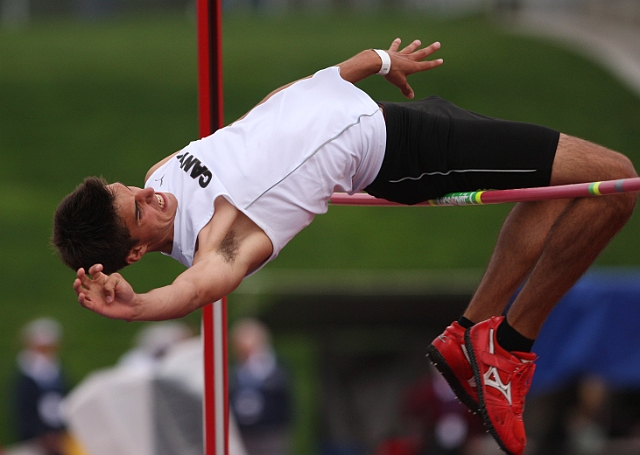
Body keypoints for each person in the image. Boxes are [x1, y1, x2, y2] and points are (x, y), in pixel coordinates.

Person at [51, 38, 637, 455]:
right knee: (613, 184)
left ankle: (471, 334)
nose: (148, 193)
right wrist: (138, 306)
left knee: (546, 188)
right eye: (137, 209)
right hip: (410, 154)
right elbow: (195, 289)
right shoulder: (223, 238)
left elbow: (270, 113)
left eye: (131, 188)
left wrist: (375, 61)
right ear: (134, 253)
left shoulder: (161, 175)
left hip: (393, 114)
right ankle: (506, 346)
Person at [229, 318, 292, 455]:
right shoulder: (236, 370)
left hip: (269, 433)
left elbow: (283, 397)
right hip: (242, 434)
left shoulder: (273, 367)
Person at [13, 318, 69, 455]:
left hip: (59, 437)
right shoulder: (26, 373)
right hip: (35, 440)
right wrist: (38, 435)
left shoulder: (57, 369)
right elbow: (23, 409)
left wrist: (61, 431)